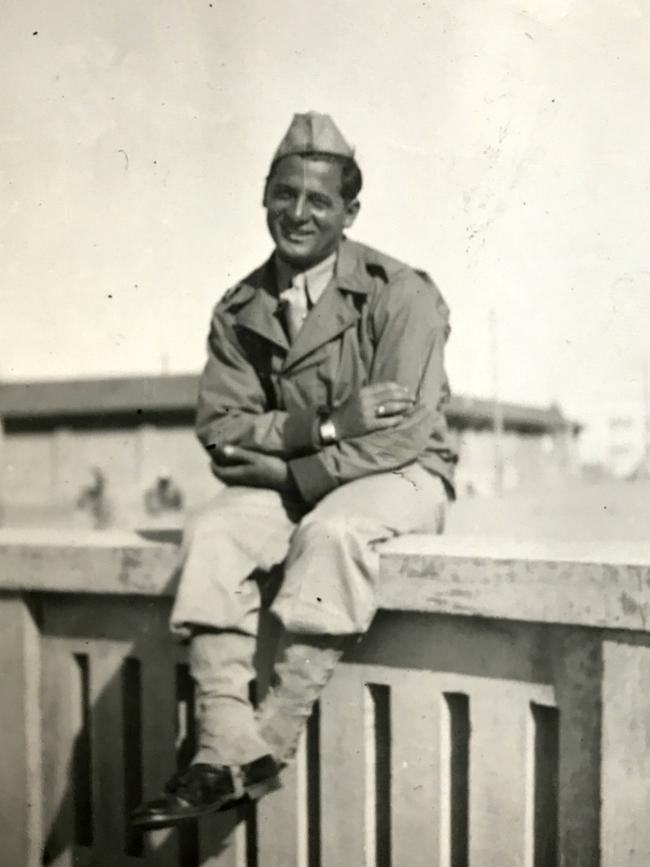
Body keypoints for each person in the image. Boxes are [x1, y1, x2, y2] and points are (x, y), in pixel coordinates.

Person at [131, 111, 457, 830]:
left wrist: (288, 470)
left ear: (350, 212)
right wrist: (328, 424)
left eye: (319, 200)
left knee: (334, 534)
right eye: (285, 194)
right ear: (264, 195)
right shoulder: (240, 307)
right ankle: (220, 748)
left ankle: (268, 740)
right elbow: (221, 427)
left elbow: (399, 436)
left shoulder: (400, 293)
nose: (298, 214)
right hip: (311, 464)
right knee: (214, 530)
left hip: (401, 475)